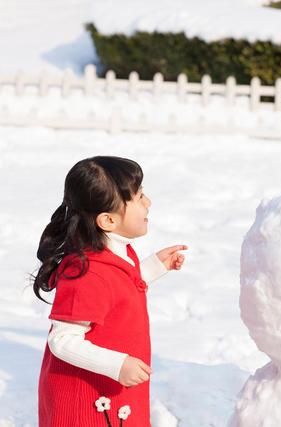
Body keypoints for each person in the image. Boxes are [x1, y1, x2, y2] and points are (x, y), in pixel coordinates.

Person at [33, 156, 187, 426]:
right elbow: (64, 340)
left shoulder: (116, 252)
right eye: (139, 198)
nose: (148, 202)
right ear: (107, 220)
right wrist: (117, 366)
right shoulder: (87, 271)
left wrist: (151, 268)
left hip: (113, 387)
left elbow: (116, 291)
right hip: (86, 400)